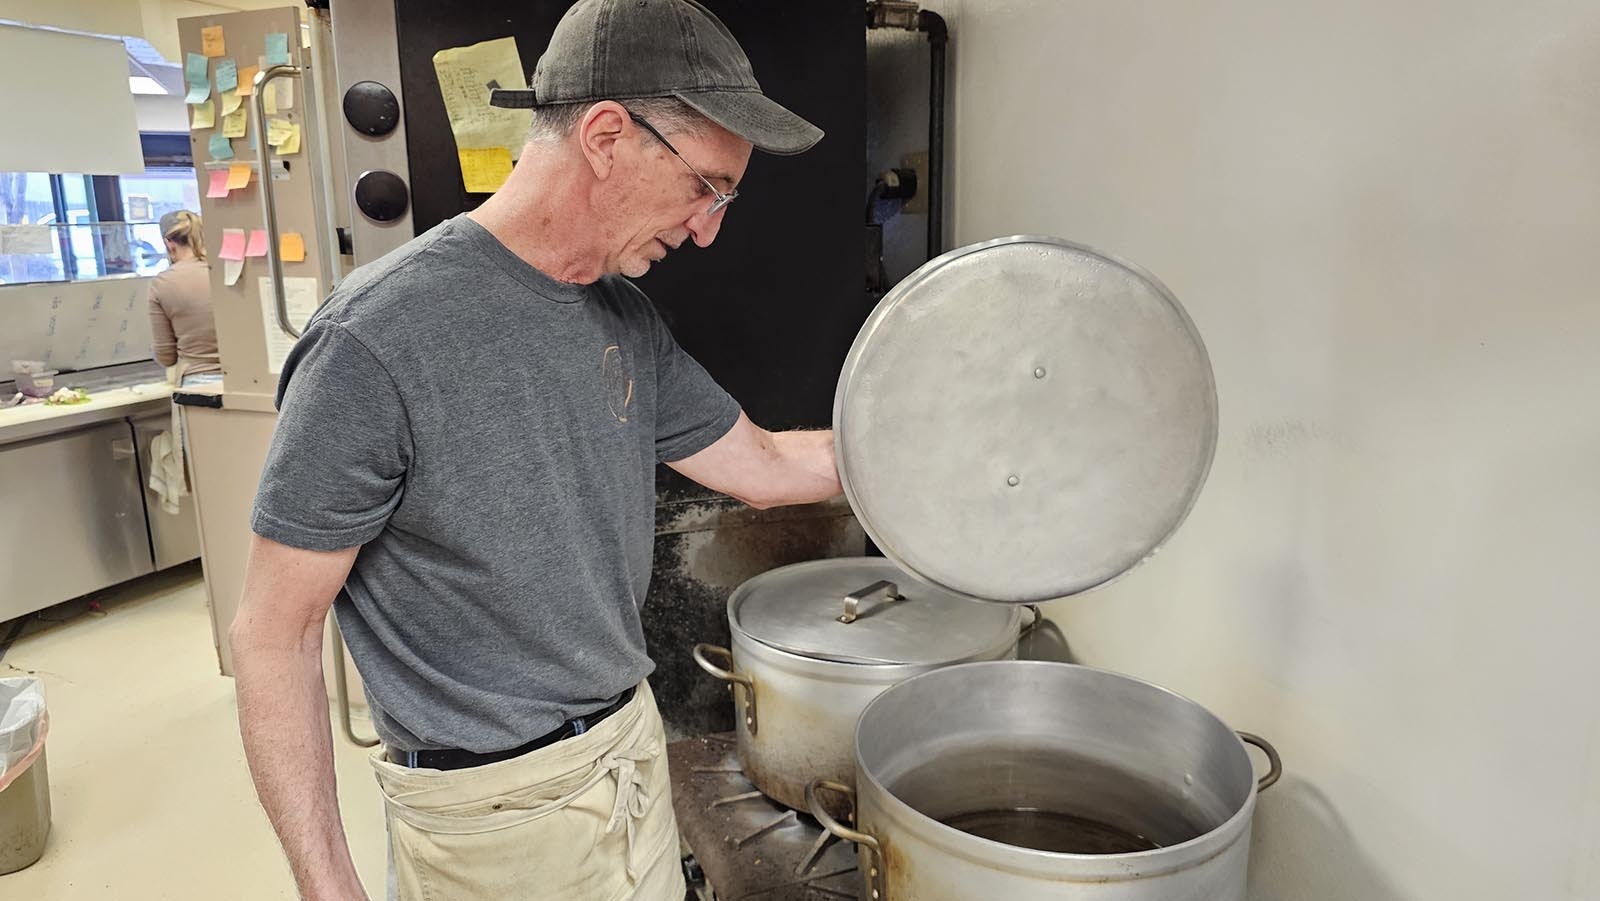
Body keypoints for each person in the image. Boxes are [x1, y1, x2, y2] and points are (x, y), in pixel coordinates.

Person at [230, 2, 838, 899]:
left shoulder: (624, 318)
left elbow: (767, 467)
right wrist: (329, 887)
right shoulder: (378, 339)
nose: (710, 229)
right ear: (605, 135)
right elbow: (272, 637)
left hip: (628, 752)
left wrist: (924, 449)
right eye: (707, 187)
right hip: (490, 813)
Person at [147, 209, 221, 387]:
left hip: (198, 384)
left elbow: (166, 356)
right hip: (244, 380)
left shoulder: (162, 283)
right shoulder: (226, 273)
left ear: (169, 244)